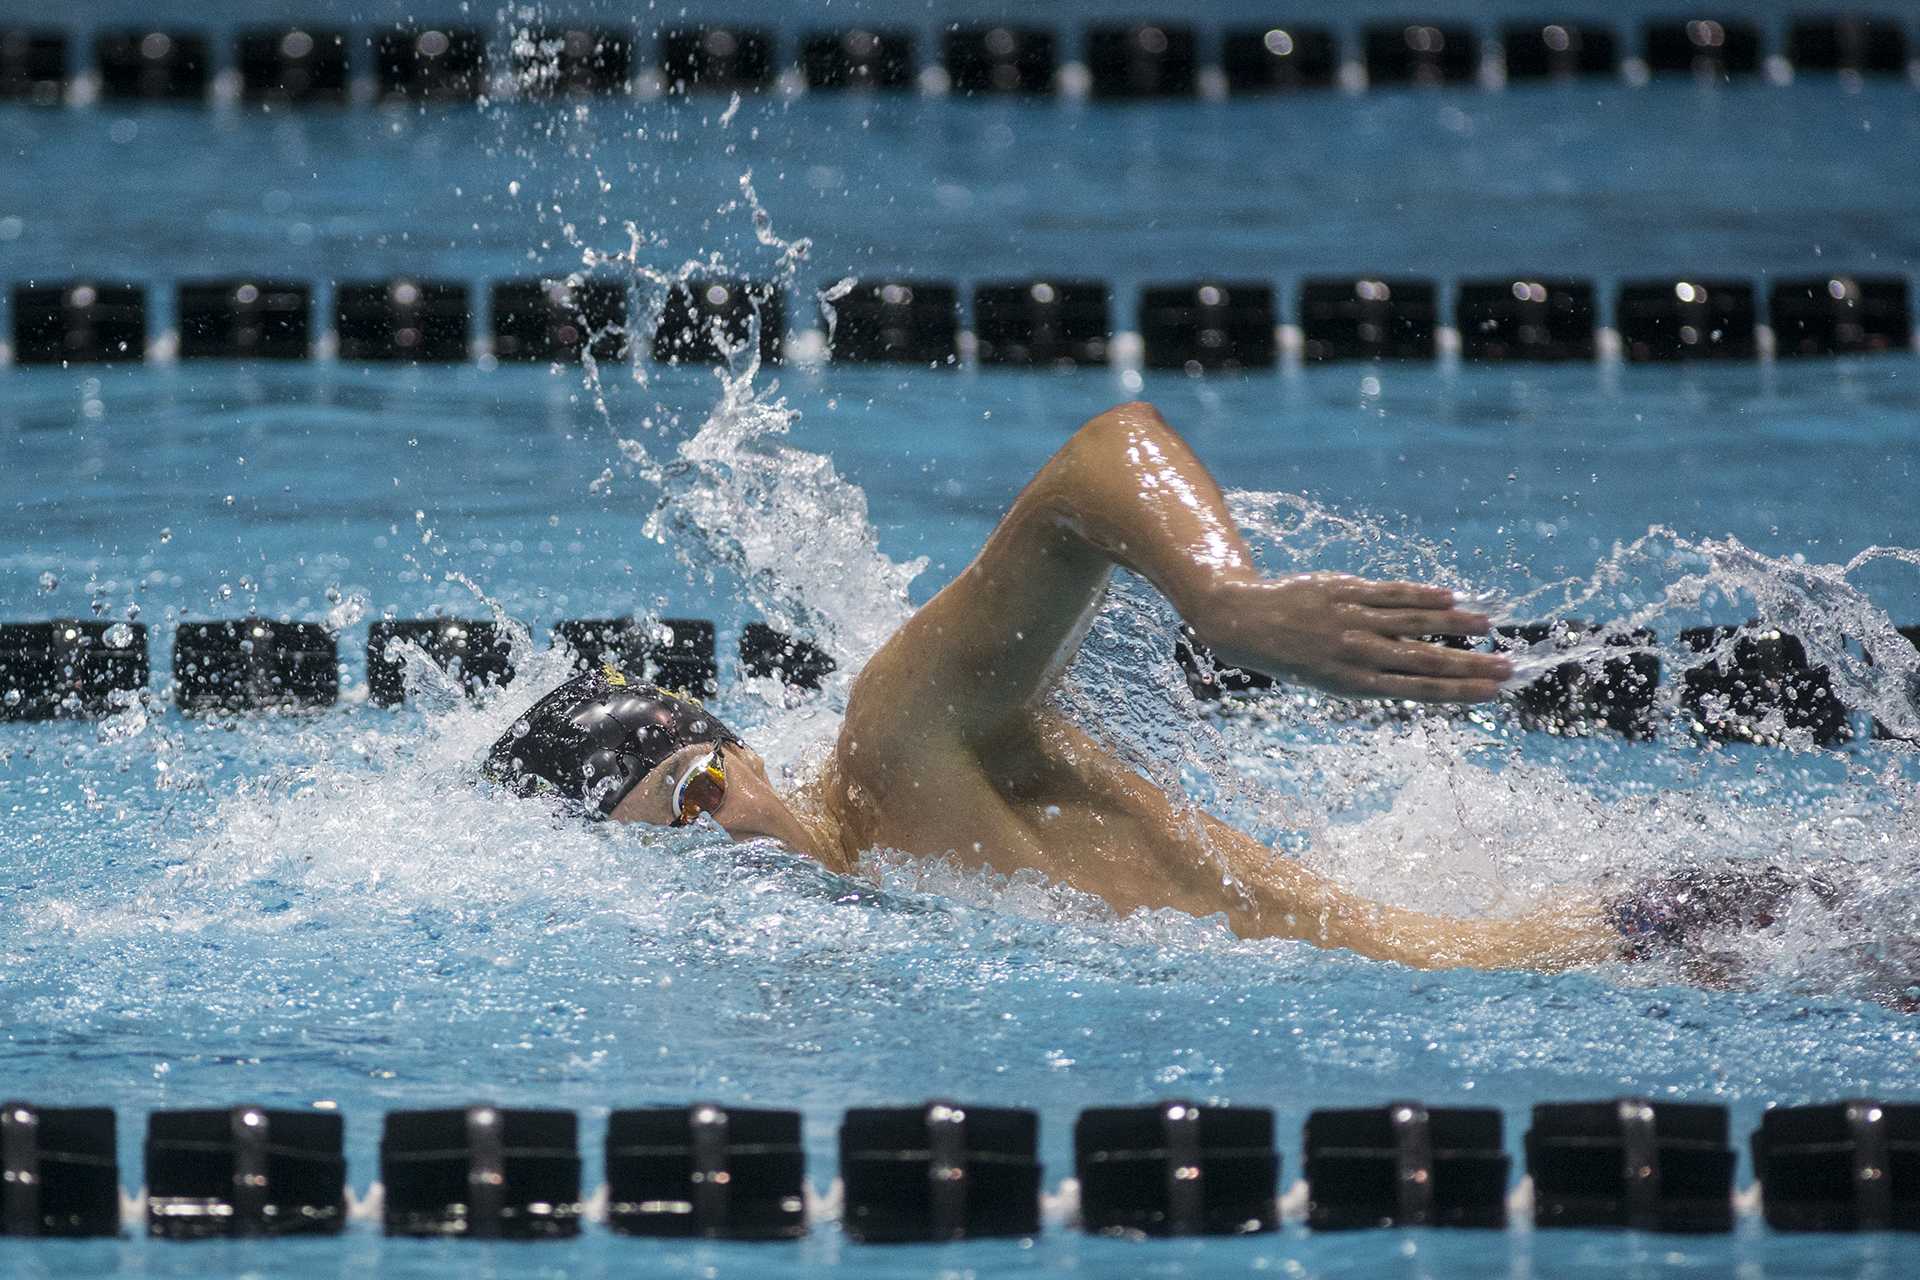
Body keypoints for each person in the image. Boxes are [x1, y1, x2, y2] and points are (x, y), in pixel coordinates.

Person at [485, 402, 1831, 974]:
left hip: (1655, 949)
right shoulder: (888, 903)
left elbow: (1098, 462)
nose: (715, 832)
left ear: (748, 755)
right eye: (671, 827)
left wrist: (1224, 601)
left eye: (704, 783)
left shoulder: (897, 746)